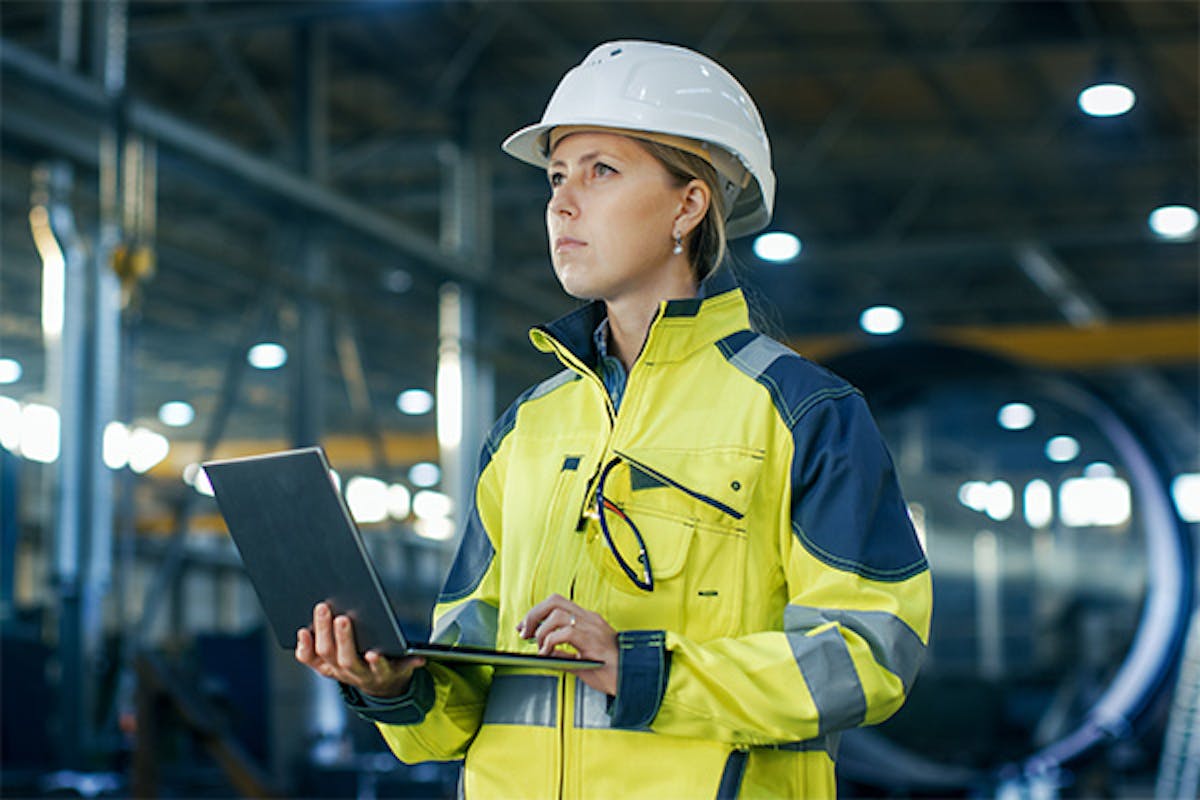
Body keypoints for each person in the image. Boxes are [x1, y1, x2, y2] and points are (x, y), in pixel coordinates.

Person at [295, 40, 932, 798]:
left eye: (602, 171)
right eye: (558, 177)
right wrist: (393, 684)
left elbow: (870, 656)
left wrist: (644, 672)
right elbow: (464, 694)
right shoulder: (526, 431)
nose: (562, 202)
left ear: (688, 204)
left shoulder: (804, 415)